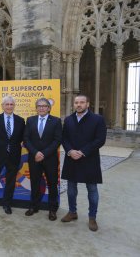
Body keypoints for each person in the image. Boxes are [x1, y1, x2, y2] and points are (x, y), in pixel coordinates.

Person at [61, 95, 107, 231]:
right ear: (74, 105)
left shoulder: (97, 119)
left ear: (88, 104)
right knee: (71, 189)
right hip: (71, 159)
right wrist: (70, 151)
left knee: (92, 189)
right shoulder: (69, 120)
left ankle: (92, 217)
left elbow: (100, 139)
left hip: (89, 159)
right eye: (76, 102)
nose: (79, 104)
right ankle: (72, 212)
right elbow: (64, 138)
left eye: (82, 102)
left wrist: (81, 152)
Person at [23, 98, 62, 221]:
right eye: (39, 106)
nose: (41, 108)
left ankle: (52, 209)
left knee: (52, 184)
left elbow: (57, 140)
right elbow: (26, 139)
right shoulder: (30, 120)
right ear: (36, 108)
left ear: (49, 108)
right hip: (34, 158)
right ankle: (33, 206)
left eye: (44, 106)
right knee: (34, 183)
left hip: (50, 159)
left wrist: (43, 154)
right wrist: (35, 153)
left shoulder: (56, 121)